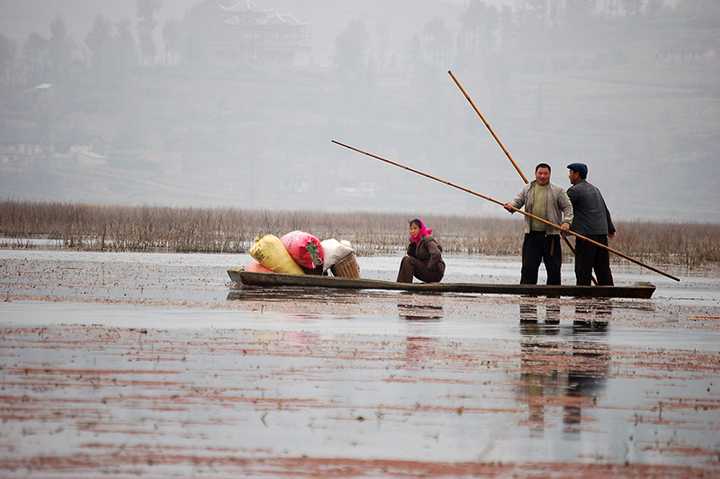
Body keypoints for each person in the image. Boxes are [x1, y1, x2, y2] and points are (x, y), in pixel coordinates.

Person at [503, 163, 573, 285]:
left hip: (551, 236)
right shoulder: (528, 188)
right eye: (540, 173)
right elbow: (517, 201)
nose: (542, 176)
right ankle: (527, 299)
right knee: (528, 269)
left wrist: (566, 222)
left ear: (549, 175)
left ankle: (553, 300)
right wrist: (511, 206)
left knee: (554, 270)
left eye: (545, 174)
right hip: (531, 236)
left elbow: (568, 208)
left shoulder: (558, 191)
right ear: (535, 174)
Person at [566, 163, 616, 286]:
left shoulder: (574, 191)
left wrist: (564, 225)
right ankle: (608, 294)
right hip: (601, 235)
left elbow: (565, 207)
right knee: (603, 268)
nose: (569, 176)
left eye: (571, 173)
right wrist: (610, 229)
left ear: (577, 174)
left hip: (586, 237)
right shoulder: (595, 189)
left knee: (583, 269)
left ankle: (583, 296)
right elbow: (605, 210)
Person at [396, 218, 445, 283]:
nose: (412, 231)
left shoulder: (427, 240)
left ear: (420, 229)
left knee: (408, 260)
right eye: (411, 229)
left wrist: (429, 267)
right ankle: (400, 284)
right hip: (427, 270)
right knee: (405, 259)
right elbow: (412, 256)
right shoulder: (416, 242)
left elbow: (436, 254)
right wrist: (412, 243)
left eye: (415, 228)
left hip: (434, 273)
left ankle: (405, 285)